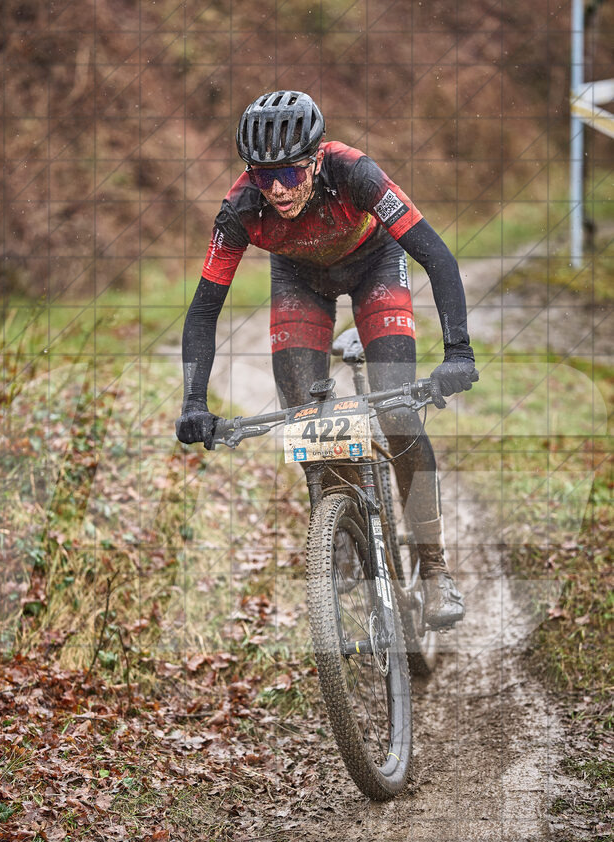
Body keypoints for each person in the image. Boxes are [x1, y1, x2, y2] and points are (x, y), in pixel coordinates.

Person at [176, 90, 478, 628]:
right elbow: (204, 309)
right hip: (299, 279)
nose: (276, 189)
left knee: (399, 410)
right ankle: (343, 523)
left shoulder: (356, 174)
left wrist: (458, 352)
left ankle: (434, 570)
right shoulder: (242, 207)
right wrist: (194, 402)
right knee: (303, 416)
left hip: (375, 266)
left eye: (289, 175)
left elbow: (436, 255)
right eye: (263, 175)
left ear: (315, 159)